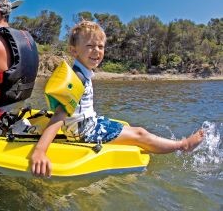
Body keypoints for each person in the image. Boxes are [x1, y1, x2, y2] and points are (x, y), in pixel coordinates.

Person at [31, 20, 205, 177]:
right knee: (140, 134)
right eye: (90, 45)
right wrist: (40, 151)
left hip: (90, 123)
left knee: (134, 129)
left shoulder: (82, 72)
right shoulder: (78, 78)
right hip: (86, 133)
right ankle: (183, 145)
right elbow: (60, 114)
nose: (97, 51)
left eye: (100, 46)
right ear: (73, 50)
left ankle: (172, 144)